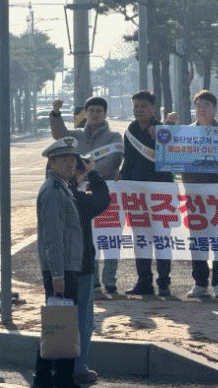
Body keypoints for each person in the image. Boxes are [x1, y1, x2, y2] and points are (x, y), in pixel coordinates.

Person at [50, 96, 123, 294]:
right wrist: (55, 114)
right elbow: (59, 135)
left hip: (105, 191)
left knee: (110, 237)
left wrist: (88, 173)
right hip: (80, 194)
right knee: (86, 236)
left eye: (99, 110)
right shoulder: (76, 136)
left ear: (105, 113)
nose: (95, 114)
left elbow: (114, 160)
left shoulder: (114, 137)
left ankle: (110, 280)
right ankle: (94, 281)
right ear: (86, 113)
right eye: (91, 110)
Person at [166, 91, 218, 298]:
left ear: (215, 108)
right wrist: (168, 127)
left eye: (207, 105)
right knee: (198, 240)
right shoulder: (186, 133)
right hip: (194, 195)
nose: (202, 109)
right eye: (198, 105)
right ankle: (200, 283)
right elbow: (168, 155)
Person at [32, 137, 84, 388]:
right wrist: (57, 275)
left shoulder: (61, 187)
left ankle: (48, 377)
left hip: (65, 267)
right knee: (59, 323)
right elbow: (53, 237)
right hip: (61, 268)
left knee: (59, 323)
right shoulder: (53, 191)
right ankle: (58, 378)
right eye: (64, 159)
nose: (70, 163)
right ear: (51, 162)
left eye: (72, 159)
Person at [120, 91, 175, 297]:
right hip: (136, 193)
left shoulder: (163, 130)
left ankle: (164, 283)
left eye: (143, 106)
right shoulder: (131, 130)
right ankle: (144, 282)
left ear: (153, 107)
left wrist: (159, 137)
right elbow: (128, 161)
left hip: (161, 192)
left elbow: (173, 158)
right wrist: (122, 177)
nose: (139, 110)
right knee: (141, 238)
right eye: (136, 106)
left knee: (162, 238)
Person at [69, 156, 110, 386]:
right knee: (83, 319)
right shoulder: (75, 197)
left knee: (60, 318)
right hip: (81, 266)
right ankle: (79, 367)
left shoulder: (52, 191)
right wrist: (93, 173)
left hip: (57, 269)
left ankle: (59, 366)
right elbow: (103, 198)